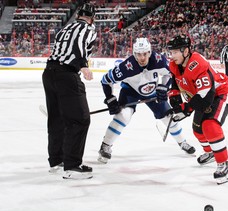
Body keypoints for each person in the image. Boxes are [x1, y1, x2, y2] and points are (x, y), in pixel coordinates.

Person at [98, 37, 196, 164]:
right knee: (123, 116)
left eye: (145, 54)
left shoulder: (159, 60)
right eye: (138, 54)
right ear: (134, 54)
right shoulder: (126, 67)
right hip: (130, 91)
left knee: (168, 117)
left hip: (152, 91)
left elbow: (170, 73)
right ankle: (105, 146)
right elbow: (105, 81)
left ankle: (183, 142)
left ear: (149, 52)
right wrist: (110, 98)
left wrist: (163, 87)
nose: (142, 57)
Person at [167, 35, 228, 185]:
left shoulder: (198, 64)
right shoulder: (174, 64)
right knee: (197, 130)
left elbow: (205, 97)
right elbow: (175, 83)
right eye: (171, 52)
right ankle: (210, 152)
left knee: (209, 125)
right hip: (202, 96)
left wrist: (186, 109)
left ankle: (223, 164)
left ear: (185, 51)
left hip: (220, 94)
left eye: (175, 52)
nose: (172, 56)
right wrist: (175, 99)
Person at [42, 3, 97, 179]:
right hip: (67, 75)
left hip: (49, 73)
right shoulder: (88, 28)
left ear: (78, 15)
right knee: (80, 119)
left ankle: (57, 161)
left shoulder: (66, 28)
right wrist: (83, 65)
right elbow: (79, 43)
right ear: (91, 18)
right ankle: (72, 166)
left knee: (57, 119)